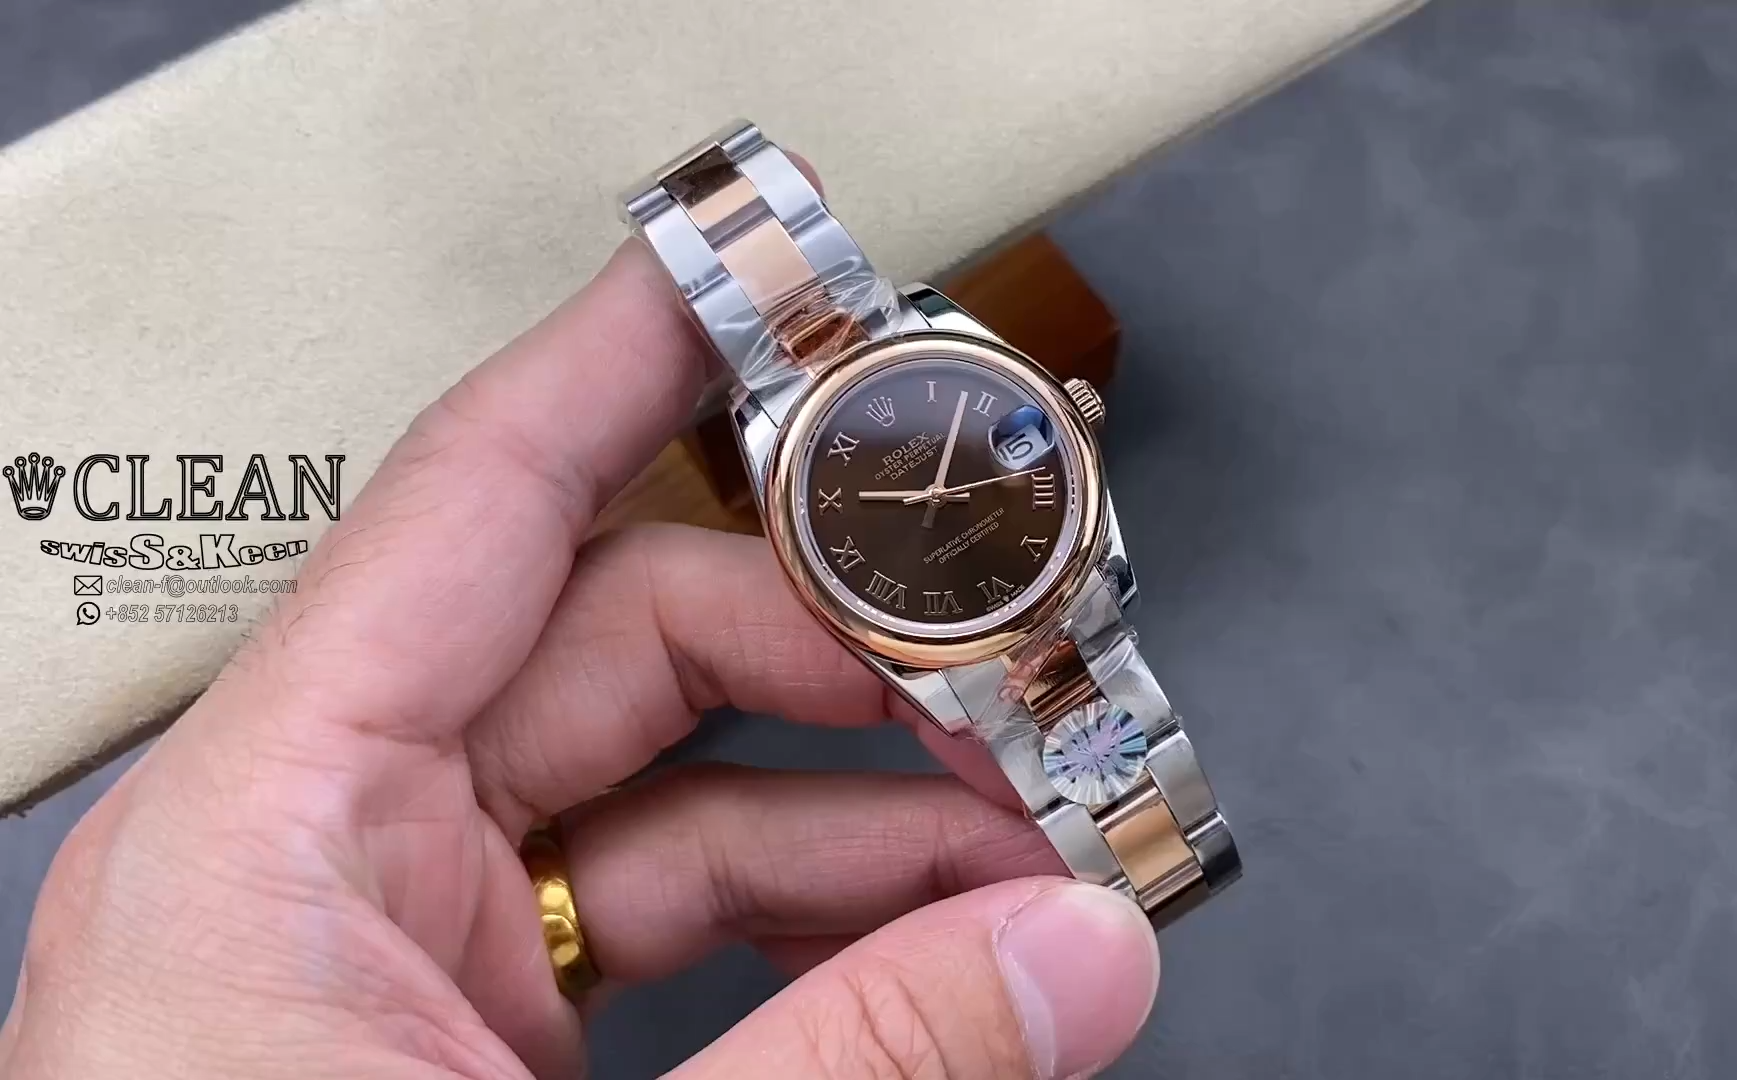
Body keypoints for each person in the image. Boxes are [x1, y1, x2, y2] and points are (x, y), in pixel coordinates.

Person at [0, 237, 1161, 1079]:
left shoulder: (934, 374)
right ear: (802, 549)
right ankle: (1156, 850)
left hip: (1050, 587)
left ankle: (1158, 842)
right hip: (967, 629)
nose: (938, 494)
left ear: (1061, 410)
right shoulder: (792, 461)